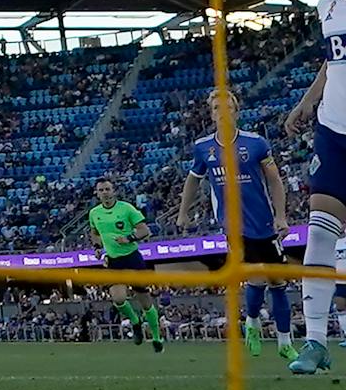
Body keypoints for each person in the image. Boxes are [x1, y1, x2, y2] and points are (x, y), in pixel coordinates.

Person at [177, 88, 294, 361]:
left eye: (228, 107)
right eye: (217, 108)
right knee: (256, 277)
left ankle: (284, 342)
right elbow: (193, 179)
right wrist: (183, 212)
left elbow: (275, 181)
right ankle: (252, 324)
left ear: (236, 111)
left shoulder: (256, 143)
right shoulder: (203, 147)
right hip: (234, 226)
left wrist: (281, 215)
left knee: (278, 282)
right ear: (211, 114)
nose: (222, 112)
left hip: (265, 222)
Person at [285, 0, 346, 375]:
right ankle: (316, 342)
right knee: (320, 229)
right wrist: (306, 103)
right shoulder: (326, 7)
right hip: (333, 130)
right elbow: (331, 62)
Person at [88, 180, 163, 352]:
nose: (105, 192)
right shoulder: (94, 213)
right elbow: (94, 232)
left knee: (145, 301)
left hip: (132, 259)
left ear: (113, 191)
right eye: (101, 190)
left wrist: (128, 238)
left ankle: (157, 337)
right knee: (118, 299)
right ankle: (135, 322)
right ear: (97, 193)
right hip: (114, 261)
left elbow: (145, 231)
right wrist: (97, 247)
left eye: (108, 189)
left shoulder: (126, 208)